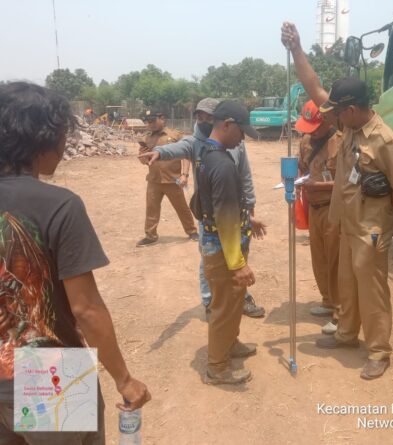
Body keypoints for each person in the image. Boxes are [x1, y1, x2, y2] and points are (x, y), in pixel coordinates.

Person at [0, 82, 151, 444]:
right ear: (43, 138)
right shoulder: (60, 205)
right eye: (62, 135)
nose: (64, 146)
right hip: (50, 374)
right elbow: (86, 309)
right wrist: (124, 379)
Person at [282, 23, 393, 380]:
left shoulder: (384, 141)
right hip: (348, 224)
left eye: (337, 112)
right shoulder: (349, 127)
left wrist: (376, 216)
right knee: (348, 285)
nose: (332, 116)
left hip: (370, 229)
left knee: (372, 290)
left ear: (352, 109)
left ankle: (379, 351)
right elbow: (316, 89)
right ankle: (346, 334)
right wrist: (296, 49)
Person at [138, 98, 266, 318]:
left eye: (208, 117)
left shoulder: (236, 141)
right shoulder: (196, 143)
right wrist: (159, 152)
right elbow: (177, 148)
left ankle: (241, 297)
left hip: (234, 213)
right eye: (199, 117)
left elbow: (245, 176)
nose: (203, 121)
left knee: (239, 253)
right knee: (210, 258)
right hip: (210, 216)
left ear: (220, 120)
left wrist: (249, 210)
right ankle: (210, 301)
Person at [296, 100, 341, 335]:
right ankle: (327, 300)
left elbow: (349, 182)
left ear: (326, 121)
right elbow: (301, 166)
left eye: (313, 127)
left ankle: (341, 312)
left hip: (334, 209)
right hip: (314, 208)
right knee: (319, 258)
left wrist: (319, 185)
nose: (310, 133)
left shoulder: (341, 142)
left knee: (336, 261)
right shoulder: (306, 141)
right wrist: (295, 179)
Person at [136, 110, 198, 247]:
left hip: (173, 180)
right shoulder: (146, 138)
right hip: (154, 180)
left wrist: (184, 174)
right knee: (151, 209)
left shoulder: (175, 135)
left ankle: (192, 231)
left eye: (153, 121)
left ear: (162, 118)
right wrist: (143, 157)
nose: (150, 124)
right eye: (148, 122)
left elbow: (186, 155)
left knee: (181, 207)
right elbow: (144, 161)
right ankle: (150, 236)